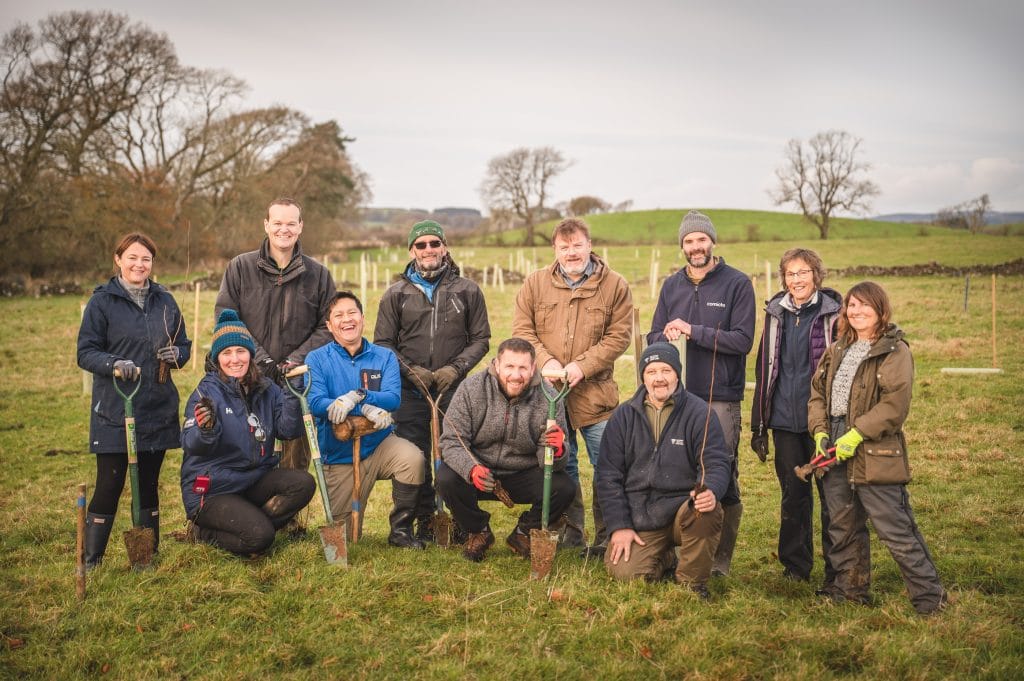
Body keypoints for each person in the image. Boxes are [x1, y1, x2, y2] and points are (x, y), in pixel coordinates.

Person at [808, 281, 947, 615]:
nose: (856, 312)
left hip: (874, 448)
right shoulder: (839, 347)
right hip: (834, 444)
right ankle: (850, 591)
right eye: (851, 306)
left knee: (895, 528)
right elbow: (818, 392)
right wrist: (820, 431)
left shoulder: (895, 351)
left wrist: (856, 434)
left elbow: (894, 406)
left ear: (880, 309)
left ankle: (930, 601)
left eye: (864, 306)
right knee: (842, 524)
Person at [512, 217, 633, 558]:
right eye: (564, 247)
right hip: (550, 396)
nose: (571, 253)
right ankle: (571, 532)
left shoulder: (615, 285)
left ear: (589, 246)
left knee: (608, 464)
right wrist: (546, 361)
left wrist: (583, 365)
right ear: (555, 250)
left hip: (596, 395)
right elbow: (523, 329)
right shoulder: (536, 283)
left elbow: (619, 335)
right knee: (564, 465)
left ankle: (608, 536)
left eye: (577, 245)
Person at [648, 210, 755, 576]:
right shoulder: (671, 286)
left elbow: (742, 341)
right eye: (689, 241)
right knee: (676, 470)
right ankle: (680, 552)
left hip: (719, 397)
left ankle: (719, 562)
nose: (696, 247)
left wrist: (693, 331)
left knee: (720, 473)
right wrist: (665, 339)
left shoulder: (737, 284)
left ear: (712, 242)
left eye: (701, 239)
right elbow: (653, 337)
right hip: (676, 399)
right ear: (682, 246)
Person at [77, 232, 192, 568]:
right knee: (110, 483)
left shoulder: (165, 300)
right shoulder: (103, 302)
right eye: (132, 257)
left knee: (149, 484)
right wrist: (114, 364)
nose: (139, 264)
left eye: (146, 259)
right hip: (116, 408)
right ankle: (91, 559)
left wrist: (178, 354)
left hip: (156, 407)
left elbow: (183, 344)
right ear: (118, 259)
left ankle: (146, 556)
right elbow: (86, 352)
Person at [374, 220, 490, 543]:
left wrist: (456, 369)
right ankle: (424, 520)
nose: (428, 250)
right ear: (411, 250)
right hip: (411, 391)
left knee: (457, 451)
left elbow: (481, 339)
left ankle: (461, 520)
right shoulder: (395, 295)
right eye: (421, 245)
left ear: (445, 248)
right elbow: (382, 343)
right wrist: (414, 372)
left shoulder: (467, 290)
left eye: (434, 243)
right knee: (417, 454)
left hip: (455, 391)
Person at [214, 197, 336, 491]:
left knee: (295, 447)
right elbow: (227, 317)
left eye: (291, 223)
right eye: (278, 223)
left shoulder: (318, 275)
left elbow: (328, 326)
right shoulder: (240, 267)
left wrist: (296, 359)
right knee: (250, 443)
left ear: (300, 227)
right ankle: (251, 507)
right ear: (266, 225)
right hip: (250, 373)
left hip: (297, 377)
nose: (284, 229)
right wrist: (260, 358)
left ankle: (290, 515)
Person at [597, 343, 731, 599]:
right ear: (643, 376)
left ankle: (692, 583)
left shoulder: (699, 412)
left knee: (707, 509)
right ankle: (666, 558)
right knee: (624, 573)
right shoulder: (623, 416)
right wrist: (620, 526)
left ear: (677, 374)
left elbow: (716, 462)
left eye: (666, 370)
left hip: (683, 510)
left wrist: (711, 489)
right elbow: (607, 475)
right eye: (652, 371)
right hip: (642, 515)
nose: (659, 378)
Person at [179, 310, 315, 556]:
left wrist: (291, 393)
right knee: (259, 538)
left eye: (240, 351)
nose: (235, 359)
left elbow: (288, 431)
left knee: (303, 484)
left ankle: (250, 522)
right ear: (217, 358)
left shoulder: (266, 389)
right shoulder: (206, 394)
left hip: (252, 480)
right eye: (226, 353)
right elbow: (191, 444)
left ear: (250, 355)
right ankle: (203, 532)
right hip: (213, 490)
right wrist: (206, 430)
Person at [305, 291, 426, 549]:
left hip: (378, 444)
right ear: (329, 325)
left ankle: (401, 531)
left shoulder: (384, 357)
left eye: (352, 313)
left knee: (412, 458)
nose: (346, 320)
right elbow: (315, 402)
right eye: (338, 315)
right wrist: (335, 404)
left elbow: (392, 398)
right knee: (345, 539)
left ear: (362, 318)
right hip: (338, 455)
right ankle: (344, 527)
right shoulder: (316, 359)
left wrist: (361, 397)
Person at [750, 249, 842, 589]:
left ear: (816, 275)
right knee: (793, 495)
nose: (797, 280)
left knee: (833, 498)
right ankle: (795, 568)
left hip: (825, 423)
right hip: (785, 422)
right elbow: (765, 370)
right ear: (783, 278)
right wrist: (759, 424)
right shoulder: (776, 314)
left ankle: (839, 569)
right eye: (791, 274)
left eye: (803, 273)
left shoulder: (833, 315)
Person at [436, 337, 573, 562]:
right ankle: (478, 530)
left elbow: (550, 463)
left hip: (523, 472)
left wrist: (557, 450)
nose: (516, 375)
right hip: (481, 471)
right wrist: (471, 468)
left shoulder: (549, 398)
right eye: (509, 366)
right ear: (497, 365)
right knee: (445, 479)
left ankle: (524, 533)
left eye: (523, 368)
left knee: (564, 487)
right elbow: (452, 440)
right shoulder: (472, 388)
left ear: (533, 369)